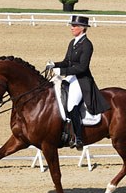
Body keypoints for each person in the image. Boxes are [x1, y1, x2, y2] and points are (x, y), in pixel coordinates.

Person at [47, 15, 110, 150]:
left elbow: (82, 67)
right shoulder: (72, 42)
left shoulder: (87, 45)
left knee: (71, 105)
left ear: (82, 28)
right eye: (72, 25)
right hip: (70, 77)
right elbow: (67, 62)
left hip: (81, 80)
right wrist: (54, 65)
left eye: (74, 26)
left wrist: (62, 71)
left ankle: (78, 137)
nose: (71, 28)